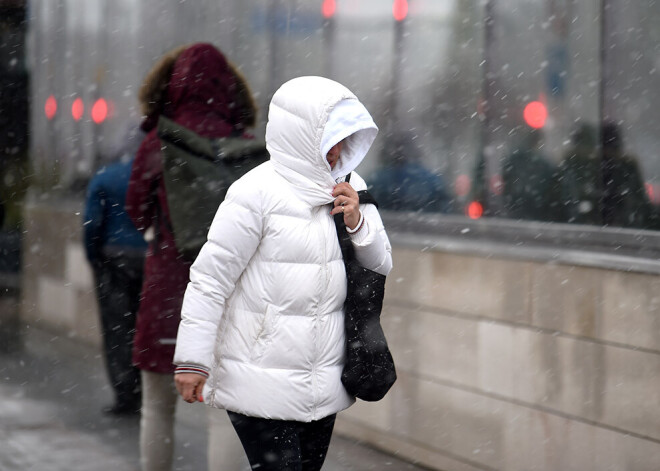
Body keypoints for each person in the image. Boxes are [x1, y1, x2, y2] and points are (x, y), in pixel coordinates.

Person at [173, 76, 393, 471]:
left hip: (324, 382)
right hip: (258, 381)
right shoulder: (253, 193)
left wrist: (359, 221)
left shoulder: (350, 186)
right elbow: (210, 280)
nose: (338, 150)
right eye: (330, 137)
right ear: (302, 135)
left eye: (345, 137)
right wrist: (192, 360)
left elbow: (381, 265)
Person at [126, 43, 257, 471]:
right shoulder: (247, 147)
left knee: (157, 408)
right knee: (223, 411)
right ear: (230, 88)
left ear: (172, 84)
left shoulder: (157, 142)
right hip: (228, 296)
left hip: (168, 293)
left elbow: (136, 212)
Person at [83, 149, 147, 416]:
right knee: (146, 327)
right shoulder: (152, 174)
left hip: (114, 260)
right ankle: (148, 391)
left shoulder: (105, 177)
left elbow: (92, 223)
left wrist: (94, 257)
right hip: (149, 258)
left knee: (117, 329)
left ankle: (126, 395)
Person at [368, 131, 452, 213]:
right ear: (416, 150)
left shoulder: (377, 180)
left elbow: (365, 209)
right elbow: (446, 213)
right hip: (427, 226)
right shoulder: (432, 180)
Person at [501, 127, 560, 222]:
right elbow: (551, 187)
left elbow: (506, 180)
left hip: (516, 206)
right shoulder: (544, 164)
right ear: (539, 141)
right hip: (537, 209)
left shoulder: (514, 158)